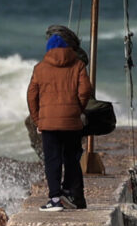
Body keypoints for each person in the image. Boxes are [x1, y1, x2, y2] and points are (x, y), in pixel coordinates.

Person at [27, 33, 92, 212]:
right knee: (72, 159)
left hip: (48, 123)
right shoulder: (78, 65)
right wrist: (77, 109)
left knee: (52, 161)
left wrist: (37, 120)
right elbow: (85, 91)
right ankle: (73, 195)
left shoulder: (39, 68)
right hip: (72, 121)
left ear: (48, 51)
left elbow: (31, 96)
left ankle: (55, 199)